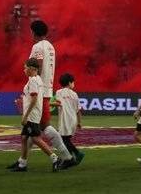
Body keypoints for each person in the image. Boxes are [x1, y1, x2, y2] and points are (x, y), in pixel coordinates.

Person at [7, 58, 67, 172]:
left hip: (32, 115)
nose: (24, 70)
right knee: (24, 137)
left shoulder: (33, 81)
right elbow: (34, 98)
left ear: (30, 68)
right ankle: (22, 163)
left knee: (35, 138)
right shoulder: (38, 80)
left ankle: (55, 159)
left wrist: (26, 116)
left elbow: (34, 99)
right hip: (35, 113)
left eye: (25, 68)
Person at [28, 20, 73, 162]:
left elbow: (38, 68)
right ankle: (22, 160)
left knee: (42, 125)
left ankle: (67, 156)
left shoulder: (37, 47)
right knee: (34, 127)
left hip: (39, 89)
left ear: (33, 32)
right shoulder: (50, 46)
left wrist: (29, 72)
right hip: (47, 88)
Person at [55, 72, 85, 165]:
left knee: (64, 139)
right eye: (73, 82)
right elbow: (79, 110)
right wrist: (79, 122)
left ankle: (70, 158)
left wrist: (46, 104)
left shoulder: (59, 92)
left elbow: (58, 104)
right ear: (70, 83)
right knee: (66, 139)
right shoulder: (75, 94)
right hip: (73, 120)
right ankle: (75, 155)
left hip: (65, 119)